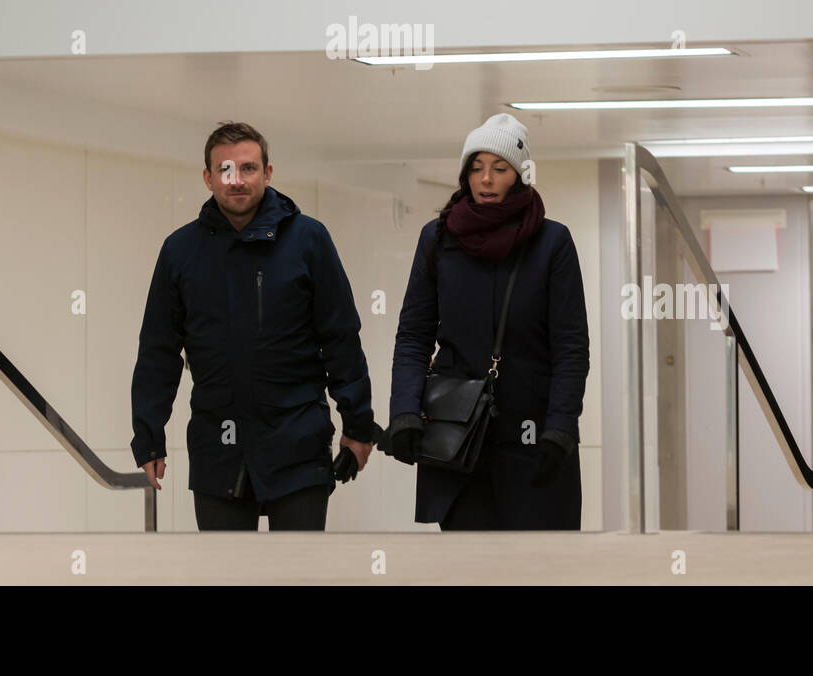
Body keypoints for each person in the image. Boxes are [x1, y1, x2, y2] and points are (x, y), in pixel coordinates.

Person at [130, 121, 379, 530]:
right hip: (218, 446)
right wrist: (149, 434)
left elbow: (340, 338)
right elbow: (158, 349)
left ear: (267, 172)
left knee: (298, 576)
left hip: (298, 443)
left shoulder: (309, 241)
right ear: (208, 178)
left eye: (248, 168)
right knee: (226, 575)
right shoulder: (181, 251)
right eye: (225, 170)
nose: (237, 180)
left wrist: (358, 424)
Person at [384, 113, 589, 529]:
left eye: (499, 168)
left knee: (541, 567)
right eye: (476, 168)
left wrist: (562, 426)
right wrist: (404, 410)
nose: (487, 179)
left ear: (519, 174)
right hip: (458, 438)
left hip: (534, 437)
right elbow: (413, 335)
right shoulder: (438, 239)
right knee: (470, 568)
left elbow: (570, 346)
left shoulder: (552, 243)